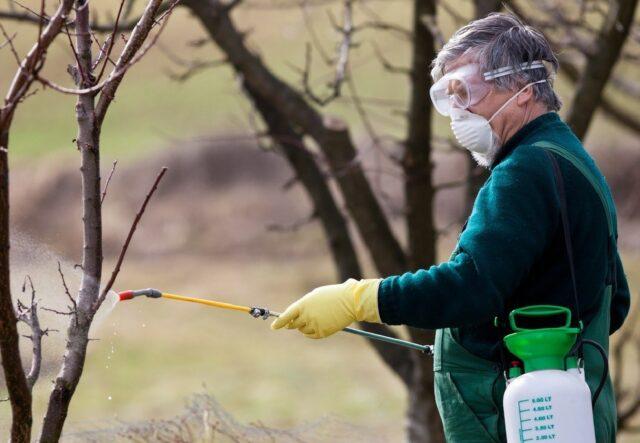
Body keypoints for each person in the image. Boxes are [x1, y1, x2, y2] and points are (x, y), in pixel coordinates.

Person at [271, 13, 630, 442]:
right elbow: (615, 302)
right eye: (448, 96)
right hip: (575, 413)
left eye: (468, 91)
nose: (458, 111)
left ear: (524, 90)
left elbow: (470, 287)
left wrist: (359, 298)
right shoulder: (570, 160)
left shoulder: (525, 170)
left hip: (526, 421)